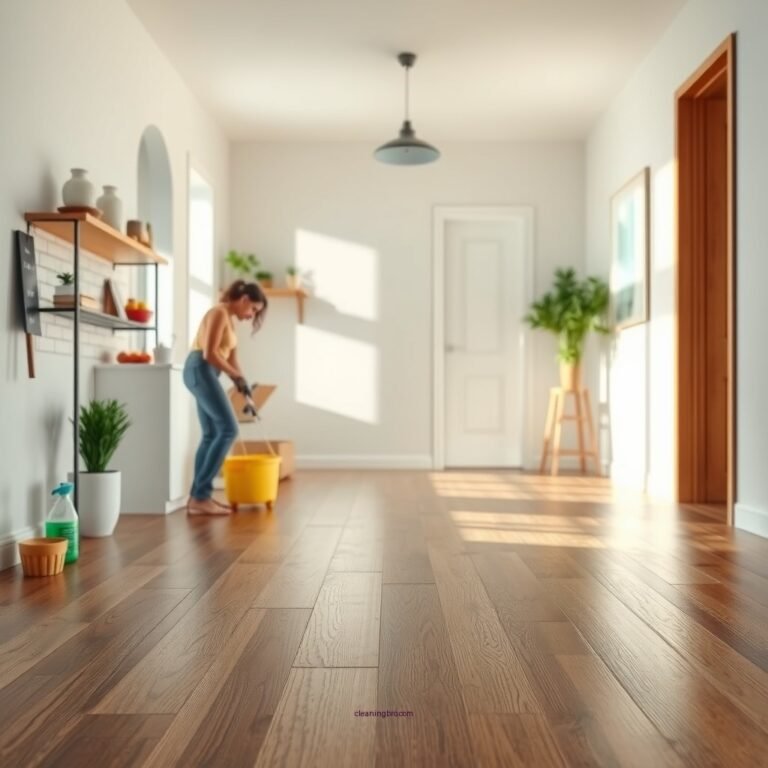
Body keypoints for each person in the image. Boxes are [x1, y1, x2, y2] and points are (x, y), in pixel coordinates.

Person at [183, 279, 268, 515]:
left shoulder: (230, 323)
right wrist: (235, 376)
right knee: (229, 429)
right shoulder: (219, 313)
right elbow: (210, 354)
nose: (251, 315)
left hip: (207, 372)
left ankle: (197, 499)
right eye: (253, 309)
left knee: (211, 434)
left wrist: (242, 381)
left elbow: (232, 361)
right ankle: (201, 495)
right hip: (200, 368)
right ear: (244, 299)